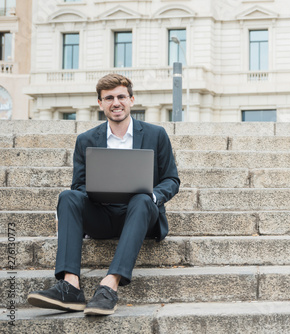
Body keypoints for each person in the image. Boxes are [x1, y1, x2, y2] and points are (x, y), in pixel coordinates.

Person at [27, 74, 180, 316]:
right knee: (68, 197)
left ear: (131, 99)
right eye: (109, 98)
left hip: (141, 216)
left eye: (121, 96)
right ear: (100, 103)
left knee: (141, 198)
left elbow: (172, 180)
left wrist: (152, 195)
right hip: (102, 215)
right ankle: (70, 286)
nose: (115, 102)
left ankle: (110, 285)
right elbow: (78, 186)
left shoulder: (156, 134)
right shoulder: (86, 140)